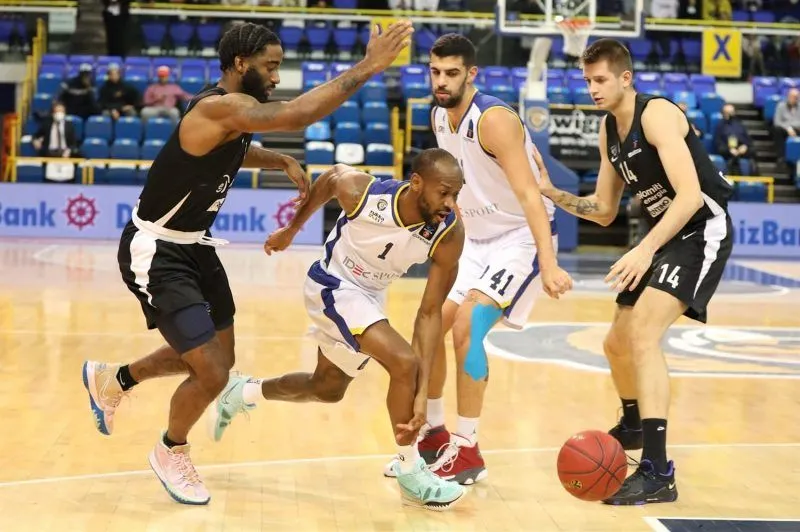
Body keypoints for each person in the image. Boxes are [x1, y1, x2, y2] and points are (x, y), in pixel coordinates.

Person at [81, 20, 414, 506]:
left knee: (219, 360)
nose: (276, 77)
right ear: (241, 64)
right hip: (157, 250)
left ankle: (115, 378)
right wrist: (370, 65)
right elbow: (297, 115)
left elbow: (234, 146)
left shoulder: (230, 118)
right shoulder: (221, 105)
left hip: (196, 246)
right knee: (212, 373)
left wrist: (276, 160)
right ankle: (170, 449)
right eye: (270, 66)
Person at [531, 38, 734, 505]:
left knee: (642, 336)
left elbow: (687, 197)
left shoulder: (656, 114)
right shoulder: (609, 130)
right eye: (587, 81)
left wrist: (643, 250)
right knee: (615, 342)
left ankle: (659, 472)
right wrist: (549, 191)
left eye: (600, 79)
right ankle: (634, 423)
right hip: (664, 236)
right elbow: (603, 210)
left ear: (625, 78)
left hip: (702, 228)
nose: (592, 88)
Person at [207, 150, 467, 510]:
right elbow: (331, 178)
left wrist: (422, 398)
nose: (451, 204)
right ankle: (410, 469)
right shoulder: (365, 195)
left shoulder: (448, 232)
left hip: (370, 298)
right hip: (332, 285)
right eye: (445, 193)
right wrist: (291, 230)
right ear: (417, 183)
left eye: (457, 194)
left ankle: (243, 393)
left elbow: (429, 314)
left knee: (326, 388)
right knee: (404, 362)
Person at [384, 33, 574, 485]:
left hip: (519, 237)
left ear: (472, 73)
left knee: (467, 327)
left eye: (451, 73)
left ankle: (467, 450)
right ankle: (432, 435)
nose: (441, 81)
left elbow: (530, 195)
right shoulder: (437, 116)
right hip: (474, 237)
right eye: (435, 72)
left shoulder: (493, 120)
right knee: (429, 324)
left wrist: (547, 263)